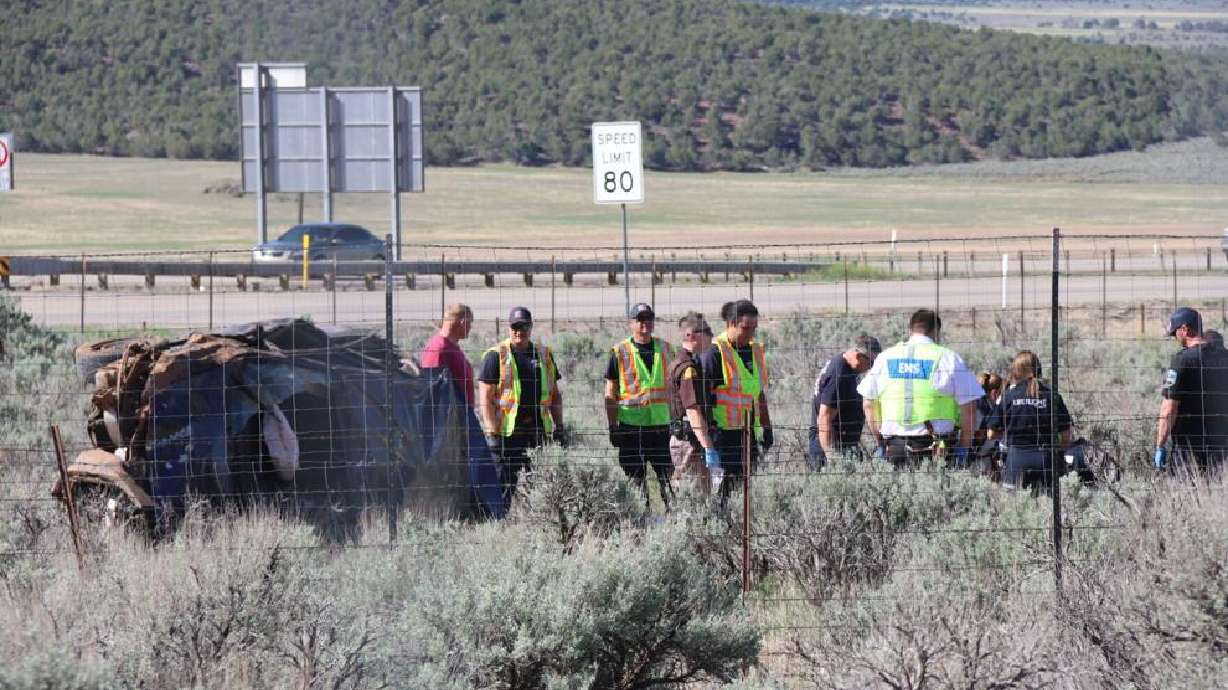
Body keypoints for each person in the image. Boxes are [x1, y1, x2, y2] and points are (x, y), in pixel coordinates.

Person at [857, 309, 982, 469]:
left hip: (894, 447)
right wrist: (964, 447)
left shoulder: (886, 357)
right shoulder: (947, 358)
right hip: (936, 449)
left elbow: (868, 403)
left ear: (910, 330)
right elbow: (969, 407)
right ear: (936, 332)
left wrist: (880, 441)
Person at [477, 307, 563, 501]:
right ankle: (501, 524)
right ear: (509, 328)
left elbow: (555, 395)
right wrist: (492, 433)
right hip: (507, 435)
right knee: (504, 487)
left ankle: (533, 522)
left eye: (524, 326)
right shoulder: (495, 355)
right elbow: (485, 398)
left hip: (537, 431)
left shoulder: (543, 354)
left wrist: (560, 426)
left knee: (539, 487)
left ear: (531, 327)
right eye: (515, 326)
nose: (519, 331)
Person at [604, 303, 676, 507]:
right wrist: (612, 426)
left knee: (669, 480)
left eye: (649, 318)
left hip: (661, 426)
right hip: (631, 428)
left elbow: (676, 387)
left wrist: (679, 419)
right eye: (640, 319)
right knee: (636, 483)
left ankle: (675, 522)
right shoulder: (619, 351)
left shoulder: (666, 348)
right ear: (630, 323)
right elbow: (610, 391)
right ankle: (640, 525)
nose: (645, 323)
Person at [699, 299, 772, 498]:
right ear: (731, 323)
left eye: (754, 328)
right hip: (723, 437)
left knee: (745, 491)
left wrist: (767, 427)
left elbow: (758, 393)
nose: (750, 334)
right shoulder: (715, 353)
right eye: (746, 328)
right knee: (723, 492)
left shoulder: (755, 350)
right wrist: (709, 435)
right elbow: (702, 399)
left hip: (749, 434)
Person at [986, 351, 1073, 491]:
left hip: (1015, 462)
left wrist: (1008, 435)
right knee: (1047, 508)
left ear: (1016, 371)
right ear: (1038, 369)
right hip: (1046, 462)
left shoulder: (1007, 397)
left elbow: (990, 434)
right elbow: (1066, 437)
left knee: (1015, 509)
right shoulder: (1052, 397)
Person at [1155, 307, 1228, 473]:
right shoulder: (1225, 357)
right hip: (1222, 446)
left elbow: (1168, 410)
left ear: (1185, 330)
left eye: (1175, 333)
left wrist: (1160, 445)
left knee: (1186, 495)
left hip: (1189, 452)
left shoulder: (1182, 361)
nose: (1175, 338)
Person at [808, 334, 882, 469]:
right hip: (830, 447)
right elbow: (825, 418)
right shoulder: (840, 373)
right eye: (871, 363)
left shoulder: (848, 367)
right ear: (859, 356)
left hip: (843, 444)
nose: (871, 367)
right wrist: (833, 458)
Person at [666, 311, 718, 494]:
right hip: (689, 443)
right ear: (691, 335)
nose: (711, 337)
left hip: (691, 441)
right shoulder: (687, 369)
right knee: (692, 499)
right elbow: (692, 411)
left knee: (700, 496)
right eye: (707, 332)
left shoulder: (688, 363)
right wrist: (708, 445)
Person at [419, 303, 475, 404]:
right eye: (470, 323)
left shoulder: (451, 346)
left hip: (461, 413)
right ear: (463, 322)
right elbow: (432, 391)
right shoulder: (438, 349)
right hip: (448, 417)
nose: (470, 327)